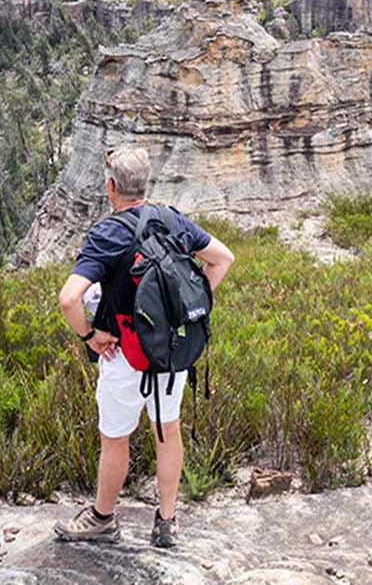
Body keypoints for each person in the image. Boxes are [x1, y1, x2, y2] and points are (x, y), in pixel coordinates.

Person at [52, 146, 235, 548]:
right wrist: (188, 311)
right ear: (145, 184)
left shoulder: (107, 233)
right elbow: (222, 259)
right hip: (170, 352)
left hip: (123, 354)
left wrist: (90, 336)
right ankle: (166, 522)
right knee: (167, 431)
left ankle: (103, 518)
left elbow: (69, 299)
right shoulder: (173, 219)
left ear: (111, 187)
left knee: (115, 438)